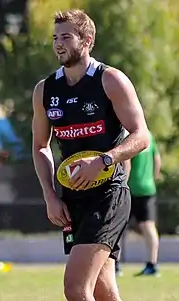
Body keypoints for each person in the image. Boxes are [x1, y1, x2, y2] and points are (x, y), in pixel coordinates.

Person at [32, 9, 149, 301]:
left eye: (67, 37)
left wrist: (103, 161)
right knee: (102, 288)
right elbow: (40, 146)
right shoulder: (45, 90)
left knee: (75, 287)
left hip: (109, 194)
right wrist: (50, 196)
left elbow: (142, 136)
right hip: (72, 200)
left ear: (87, 39)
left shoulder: (110, 81)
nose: (59, 44)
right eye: (55, 38)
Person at [116, 131, 161, 277]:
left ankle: (115, 265)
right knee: (148, 226)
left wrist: (122, 185)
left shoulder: (127, 136)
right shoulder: (149, 135)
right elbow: (157, 160)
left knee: (116, 226)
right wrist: (151, 180)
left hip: (130, 188)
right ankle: (152, 265)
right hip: (148, 188)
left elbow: (126, 163)